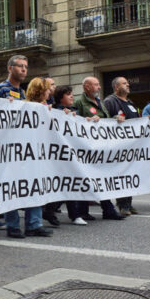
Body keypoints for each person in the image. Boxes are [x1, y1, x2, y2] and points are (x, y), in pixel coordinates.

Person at [0, 56, 53, 238]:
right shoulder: (1, 89)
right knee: (13, 186)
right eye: (20, 66)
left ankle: (34, 224)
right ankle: (13, 226)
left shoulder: (24, 92)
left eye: (26, 66)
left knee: (32, 184)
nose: (24, 69)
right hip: (10, 148)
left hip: (26, 148)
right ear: (10, 68)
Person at [73, 76, 125, 221]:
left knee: (101, 179)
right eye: (96, 84)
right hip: (86, 148)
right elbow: (73, 122)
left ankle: (107, 210)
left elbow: (106, 119)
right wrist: (88, 121)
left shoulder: (100, 102)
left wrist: (115, 119)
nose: (99, 87)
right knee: (87, 179)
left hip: (101, 148)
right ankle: (86, 211)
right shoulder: (79, 102)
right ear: (87, 87)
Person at [45, 85, 87, 225]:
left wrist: (91, 121)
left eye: (71, 94)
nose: (72, 96)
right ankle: (61, 213)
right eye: (68, 94)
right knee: (64, 183)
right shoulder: (52, 110)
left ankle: (56, 212)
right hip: (57, 154)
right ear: (60, 98)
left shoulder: (74, 111)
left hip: (71, 152)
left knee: (68, 183)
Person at [103, 76, 140, 215]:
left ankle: (128, 204)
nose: (128, 85)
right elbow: (103, 120)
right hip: (118, 146)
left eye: (127, 83)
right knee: (122, 175)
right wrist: (114, 119)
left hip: (131, 146)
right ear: (116, 87)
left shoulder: (131, 103)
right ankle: (122, 205)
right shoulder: (110, 101)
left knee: (129, 175)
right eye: (124, 83)